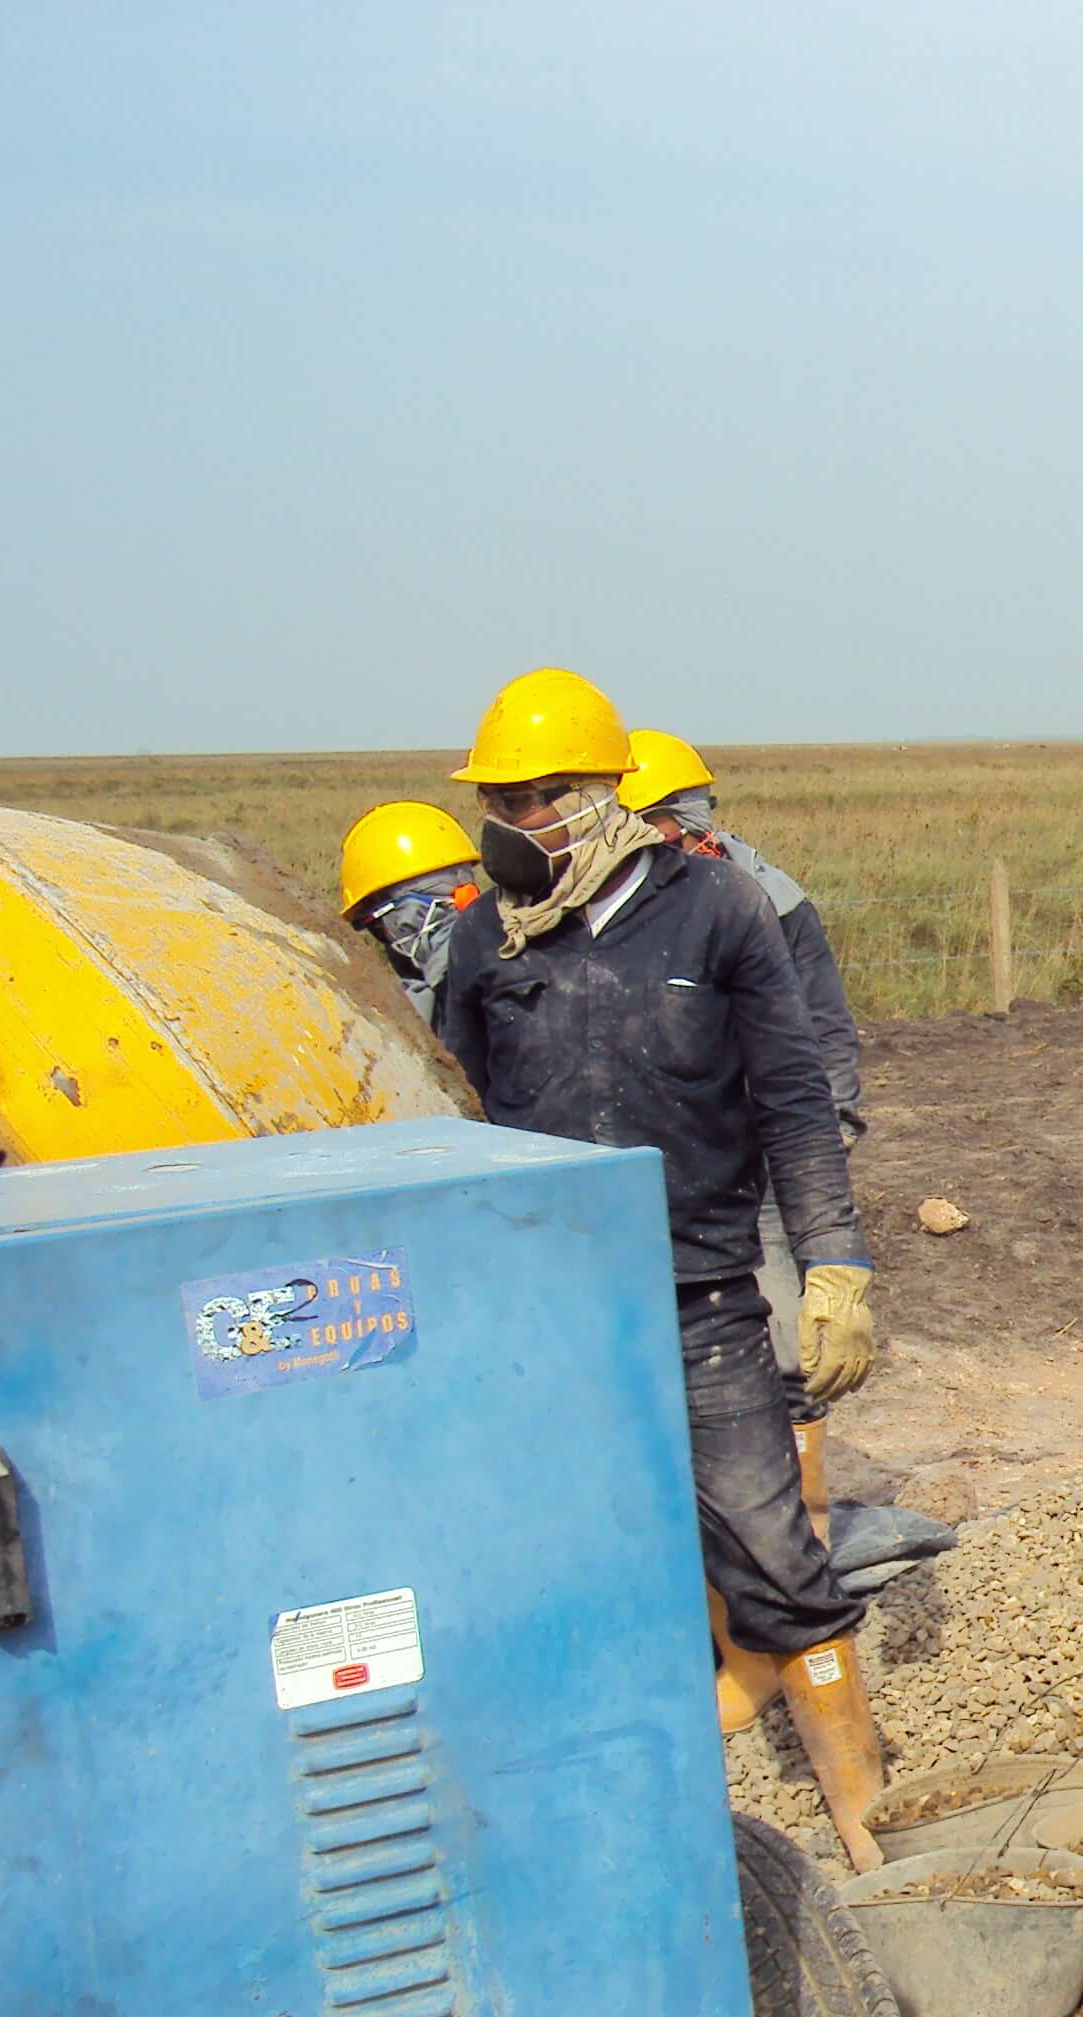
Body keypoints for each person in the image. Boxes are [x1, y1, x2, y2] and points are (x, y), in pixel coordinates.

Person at [432, 668, 893, 1863]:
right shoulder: (488, 935)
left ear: (596, 796)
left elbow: (794, 1100)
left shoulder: (719, 912)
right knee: (569, 1554)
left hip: (700, 1302)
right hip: (549, 1312)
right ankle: (597, 1821)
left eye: (530, 800)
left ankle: (873, 1833)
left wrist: (835, 1261)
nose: (508, 825)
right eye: (497, 801)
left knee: (774, 1547)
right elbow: (451, 1118)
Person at [618, 727, 869, 1537]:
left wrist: (823, 1143)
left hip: (759, 1156)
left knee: (792, 1356)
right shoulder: (611, 908)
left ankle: (806, 1534)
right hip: (655, 1166)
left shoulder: (771, 899)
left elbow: (823, 1033)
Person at [335, 802, 484, 1013]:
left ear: (408, 916)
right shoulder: (517, 946)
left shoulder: (461, 992)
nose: (386, 940)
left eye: (376, 928)